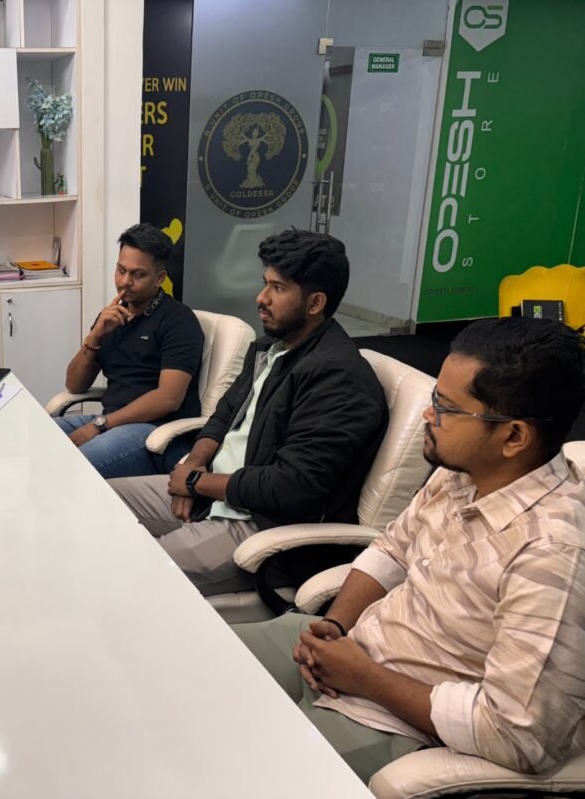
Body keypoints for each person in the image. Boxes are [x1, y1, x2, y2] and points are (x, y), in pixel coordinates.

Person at [232, 317, 585, 783]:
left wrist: (364, 678)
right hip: (353, 649)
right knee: (194, 665)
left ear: (514, 437)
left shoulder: (553, 553)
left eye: (446, 408)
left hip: (396, 717)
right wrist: (336, 626)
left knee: (235, 768)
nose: (427, 416)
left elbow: (517, 735)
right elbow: (393, 552)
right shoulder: (463, 471)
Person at [110, 229, 387, 595]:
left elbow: (293, 487)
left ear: (315, 303)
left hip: (262, 527)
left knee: (127, 570)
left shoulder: (338, 377)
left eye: (278, 288)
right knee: (97, 504)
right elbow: (223, 415)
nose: (261, 298)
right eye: (264, 283)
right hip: (215, 492)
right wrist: (195, 465)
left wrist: (195, 483)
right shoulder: (271, 348)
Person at [54, 222, 205, 478]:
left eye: (138, 275)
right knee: (35, 439)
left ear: (160, 278)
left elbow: (168, 398)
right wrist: (95, 335)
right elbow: (75, 385)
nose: (125, 282)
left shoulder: (179, 321)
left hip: (158, 434)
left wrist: (99, 426)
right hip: (111, 422)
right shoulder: (112, 317)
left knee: (70, 466)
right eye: (121, 270)